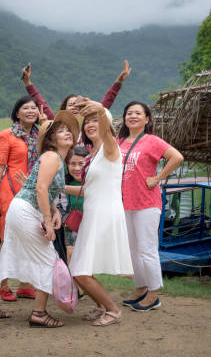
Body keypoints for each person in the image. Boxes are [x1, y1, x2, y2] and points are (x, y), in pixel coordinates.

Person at [0, 111, 79, 328]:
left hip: (22, 208)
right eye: (61, 131)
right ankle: (39, 313)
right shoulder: (52, 157)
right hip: (26, 211)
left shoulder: (57, 159)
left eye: (68, 130)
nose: (67, 133)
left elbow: (42, 189)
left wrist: (55, 211)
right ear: (51, 140)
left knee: (9, 255)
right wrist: (48, 221)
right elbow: (41, 189)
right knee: (49, 260)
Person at [68, 98, 133, 326]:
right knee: (80, 268)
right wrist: (55, 187)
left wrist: (99, 108)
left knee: (80, 270)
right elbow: (89, 190)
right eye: (87, 122)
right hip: (93, 214)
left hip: (104, 214)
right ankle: (100, 306)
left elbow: (105, 126)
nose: (89, 125)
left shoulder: (110, 147)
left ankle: (113, 310)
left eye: (95, 120)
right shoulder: (93, 154)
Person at [118, 101, 184, 311]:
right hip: (125, 202)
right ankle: (140, 288)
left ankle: (153, 294)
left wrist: (158, 177)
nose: (133, 116)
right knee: (132, 250)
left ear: (147, 119)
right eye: (129, 113)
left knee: (147, 250)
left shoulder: (152, 140)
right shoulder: (120, 142)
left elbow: (177, 157)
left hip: (146, 202)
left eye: (138, 113)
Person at [0, 95, 41, 302]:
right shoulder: (6, 135)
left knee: (30, 236)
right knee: (7, 237)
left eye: (33, 108)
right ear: (17, 113)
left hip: (33, 192)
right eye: (25, 108)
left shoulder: (41, 135)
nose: (30, 111)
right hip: (10, 191)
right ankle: (3, 284)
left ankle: (26, 285)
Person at [22, 61, 131, 119]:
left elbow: (105, 104)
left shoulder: (89, 125)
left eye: (77, 105)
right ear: (64, 109)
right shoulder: (57, 124)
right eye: (70, 105)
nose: (74, 107)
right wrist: (27, 82)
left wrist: (119, 81)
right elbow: (42, 104)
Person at [56, 146, 88, 264]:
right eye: (72, 164)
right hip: (73, 223)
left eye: (81, 164)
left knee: (85, 259)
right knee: (71, 254)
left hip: (91, 223)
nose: (77, 168)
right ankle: (72, 281)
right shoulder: (66, 181)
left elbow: (87, 191)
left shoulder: (93, 181)